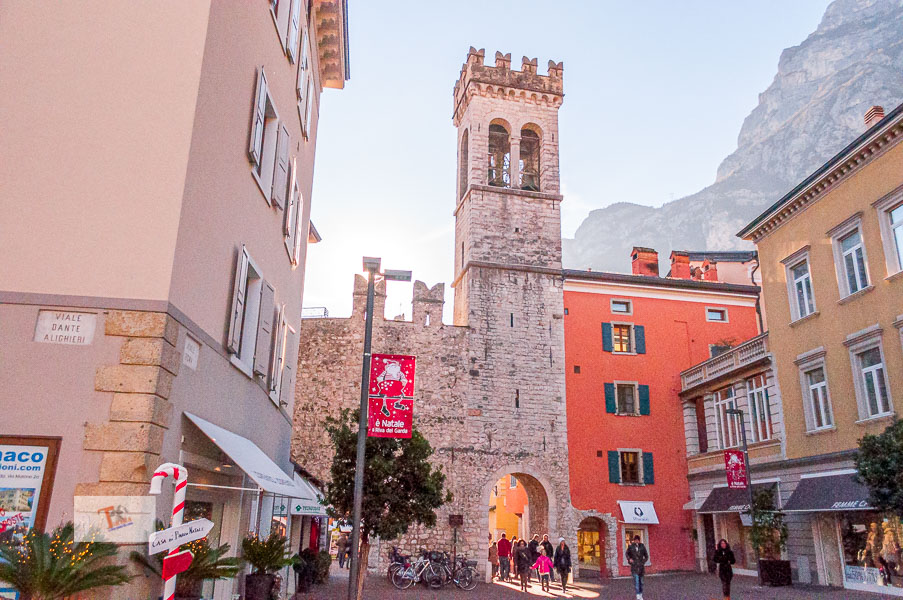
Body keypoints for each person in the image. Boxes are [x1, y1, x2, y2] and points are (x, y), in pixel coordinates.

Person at [626, 534, 649, 600]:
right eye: (635, 540)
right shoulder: (631, 547)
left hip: (641, 567)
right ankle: (638, 595)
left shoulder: (642, 546)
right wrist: (629, 559)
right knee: (636, 582)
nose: (637, 541)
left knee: (641, 582)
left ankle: (641, 593)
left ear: (639, 540)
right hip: (634, 567)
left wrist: (643, 561)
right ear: (634, 540)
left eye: (638, 540)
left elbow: (646, 556)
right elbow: (627, 553)